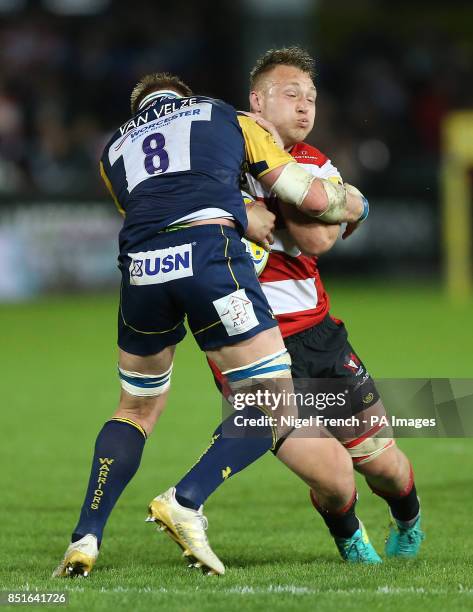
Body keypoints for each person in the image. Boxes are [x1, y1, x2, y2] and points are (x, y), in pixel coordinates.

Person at [53, 71, 365, 578]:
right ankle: (187, 498)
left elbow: (148, 204)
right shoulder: (223, 115)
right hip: (208, 252)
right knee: (271, 397)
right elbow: (303, 193)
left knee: (136, 406)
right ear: (184, 97)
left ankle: (85, 537)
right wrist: (357, 204)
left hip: (141, 267)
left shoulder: (113, 152)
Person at [154, 48, 424, 571]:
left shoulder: (311, 161)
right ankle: (352, 544)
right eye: (290, 95)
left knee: (383, 465)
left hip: (319, 336)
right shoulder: (214, 161)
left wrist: (278, 182)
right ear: (256, 100)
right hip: (245, 339)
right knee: (333, 477)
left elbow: (318, 238)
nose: (305, 108)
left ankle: (408, 520)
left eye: (311, 99)